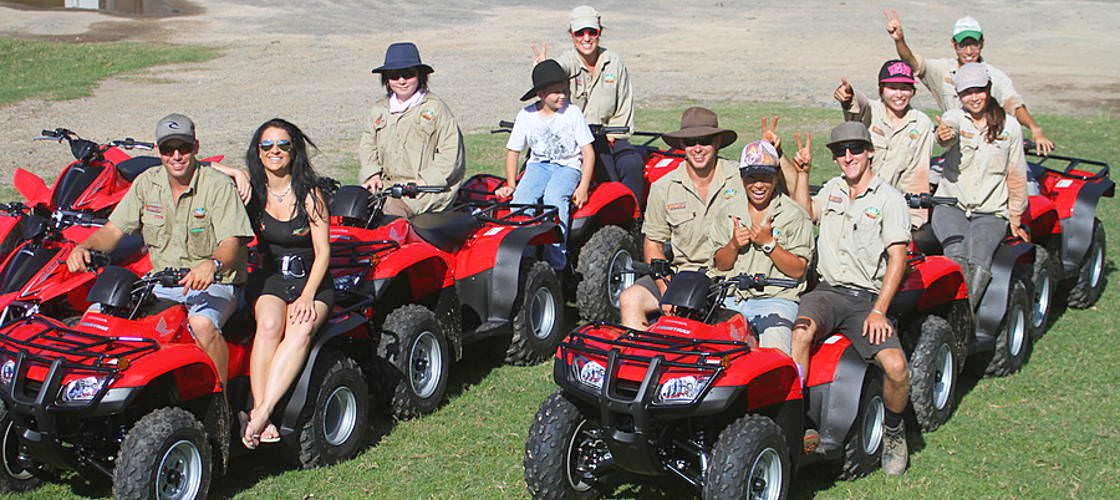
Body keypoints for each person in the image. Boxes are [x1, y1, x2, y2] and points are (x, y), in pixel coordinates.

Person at [66, 113, 254, 387]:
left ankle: (220, 399)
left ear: (196, 147)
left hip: (216, 283)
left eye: (184, 148)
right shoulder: (146, 183)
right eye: (168, 149)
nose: (176, 156)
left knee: (202, 324)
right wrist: (83, 247)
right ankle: (83, 391)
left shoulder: (217, 186)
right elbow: (112, 231)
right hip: (160, 281)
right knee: (96, 316)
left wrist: (211, 266)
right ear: (158, 151)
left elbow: (231, 244)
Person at [789, 122, 911, 475]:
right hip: (827, 291)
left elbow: (898, 259)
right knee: (799, 334)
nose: (847, 157)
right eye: (840, 152)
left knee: (897, 368)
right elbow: (805, 214)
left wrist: (878, 311)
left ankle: (893, 431)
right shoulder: (833, 189)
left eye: (855, 149)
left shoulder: (889, 199)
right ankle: (798, 423)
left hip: (865, 299)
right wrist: (802, 173)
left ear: (870, 151)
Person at [239, 119, 333, 449]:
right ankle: (259, 409)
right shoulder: (253, 191)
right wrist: (235, 173)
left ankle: (262, 413)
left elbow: (323, 253)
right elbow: (202, 169)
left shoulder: (310, 194)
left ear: (294, 151)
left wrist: (308, 296)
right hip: (273, 278)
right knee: (267, 326)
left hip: (311, 280)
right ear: (258, 151)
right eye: (267, 146)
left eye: (283, 145)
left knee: (300, 329)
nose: (275, 151)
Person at [617, 106, 742, 330]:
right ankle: (642, 359)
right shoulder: (663, 187)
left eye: (704, 141)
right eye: (690, 142)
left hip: (729, 277)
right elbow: (653, 243)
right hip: (681, 275)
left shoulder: (741, 177)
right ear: (682, 146)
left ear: (717, 142)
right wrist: (666, 291)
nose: (697, 148)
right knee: (629, 299)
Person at [884, 10, 1054, 155]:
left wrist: (1035, 129)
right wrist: (899, 40)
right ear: (954, 44)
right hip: (955, 146)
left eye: (974, 45)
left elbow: (1014, 104)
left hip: (989, 147)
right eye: (963, 45)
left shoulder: (995, 76)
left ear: (982, 43)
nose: (969, 52)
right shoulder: (942, 70)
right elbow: (912, 62)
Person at [931, 62, 1030, 306]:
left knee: (978, 256)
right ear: (959, 95)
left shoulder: (1010, 127)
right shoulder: (955, 118)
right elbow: (948, 132)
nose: (973, 97)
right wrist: (943, 135)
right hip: (950, 206)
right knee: (955, 255)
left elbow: (1016, 174)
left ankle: (966, 315)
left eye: (978, 90)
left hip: (990, 212)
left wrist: (1016, 217)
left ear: (988, 89)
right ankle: (950, 312)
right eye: (966, 92)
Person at [531, 6, 643, 205]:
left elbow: (624, 102)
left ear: (600, 33)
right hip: (575, 137)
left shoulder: (614, 62)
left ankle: (634, 217)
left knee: (632, 164)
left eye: (592, 32)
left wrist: (613, 135)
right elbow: (556, 71)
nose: (586, 38)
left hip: (610, 133)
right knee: (604, 169)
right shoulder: (568, 61)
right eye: (580, 33)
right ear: (571, 35)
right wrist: (544, 68)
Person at [710, 140, 813, 355]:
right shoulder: (727, 210)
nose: (758, 185)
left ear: (776, 177)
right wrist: (733, 245)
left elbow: (798, 270)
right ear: (742, 177)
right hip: (731, 299)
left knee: (774, 358)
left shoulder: (793, 214)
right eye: (752, 177)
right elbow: (720, 264)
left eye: (765, 177)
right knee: (710, 351)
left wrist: (769, 244)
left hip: (775, 301)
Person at [496, 59, 595, 270]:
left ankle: (557, 260)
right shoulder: (526, 115)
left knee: (554, 199)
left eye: (564, 90)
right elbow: (513, 151)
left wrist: (583, 186)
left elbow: (588, 152)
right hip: (538, 165)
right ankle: (527, 256)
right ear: (541, 94)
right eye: (556, 92)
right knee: (522, 200)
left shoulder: (572, 113)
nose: (563, 96)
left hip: (568, 166)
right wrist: (511, 185)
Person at [359, 42, 466, 216]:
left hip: (426, 191)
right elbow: (367, 145)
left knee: (388, 215)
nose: (401, 81)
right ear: (386, 78)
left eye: (408, 75)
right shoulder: (379, 109)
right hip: (387, 186)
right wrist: (371, 175)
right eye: (394, 75)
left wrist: (425, 181)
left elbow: (451, 154)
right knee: (349, 206)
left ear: (420, 76)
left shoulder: (436, 108)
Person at [834, 59, 934, 228]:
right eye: (892, 88)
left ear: (913, 91)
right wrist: (848, 97)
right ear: (881, 90)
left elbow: (918, 173)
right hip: (858, 200)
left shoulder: (921, 123)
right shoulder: (870, 111)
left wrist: (914, 219)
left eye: (905, 88)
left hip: (897, 206)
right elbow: (858, 104)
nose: (899, 94)